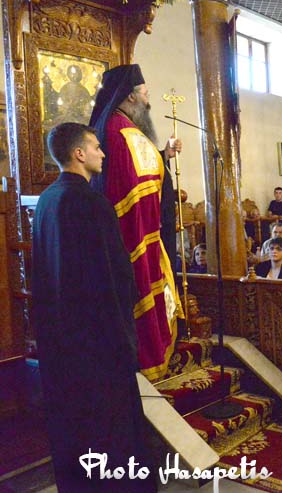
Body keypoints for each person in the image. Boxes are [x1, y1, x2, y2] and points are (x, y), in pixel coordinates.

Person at [32, 122, 156, 492]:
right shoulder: (91, 203)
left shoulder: (46, 200)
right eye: (96, 147)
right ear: (79, 153)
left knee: (75, 426)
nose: (102, 153)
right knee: (110, 432)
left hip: (61, 343)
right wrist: (127, 341)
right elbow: (112, 276)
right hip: (99, 345)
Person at [88, 63, 181, 381]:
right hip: (135, 235)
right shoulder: (121, 131)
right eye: (144, 93)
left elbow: (141, 172)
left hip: (141, 231)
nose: (147, 100)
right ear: (130, 96)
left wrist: (163, 155)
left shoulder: (122, 127)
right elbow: (131, 184)